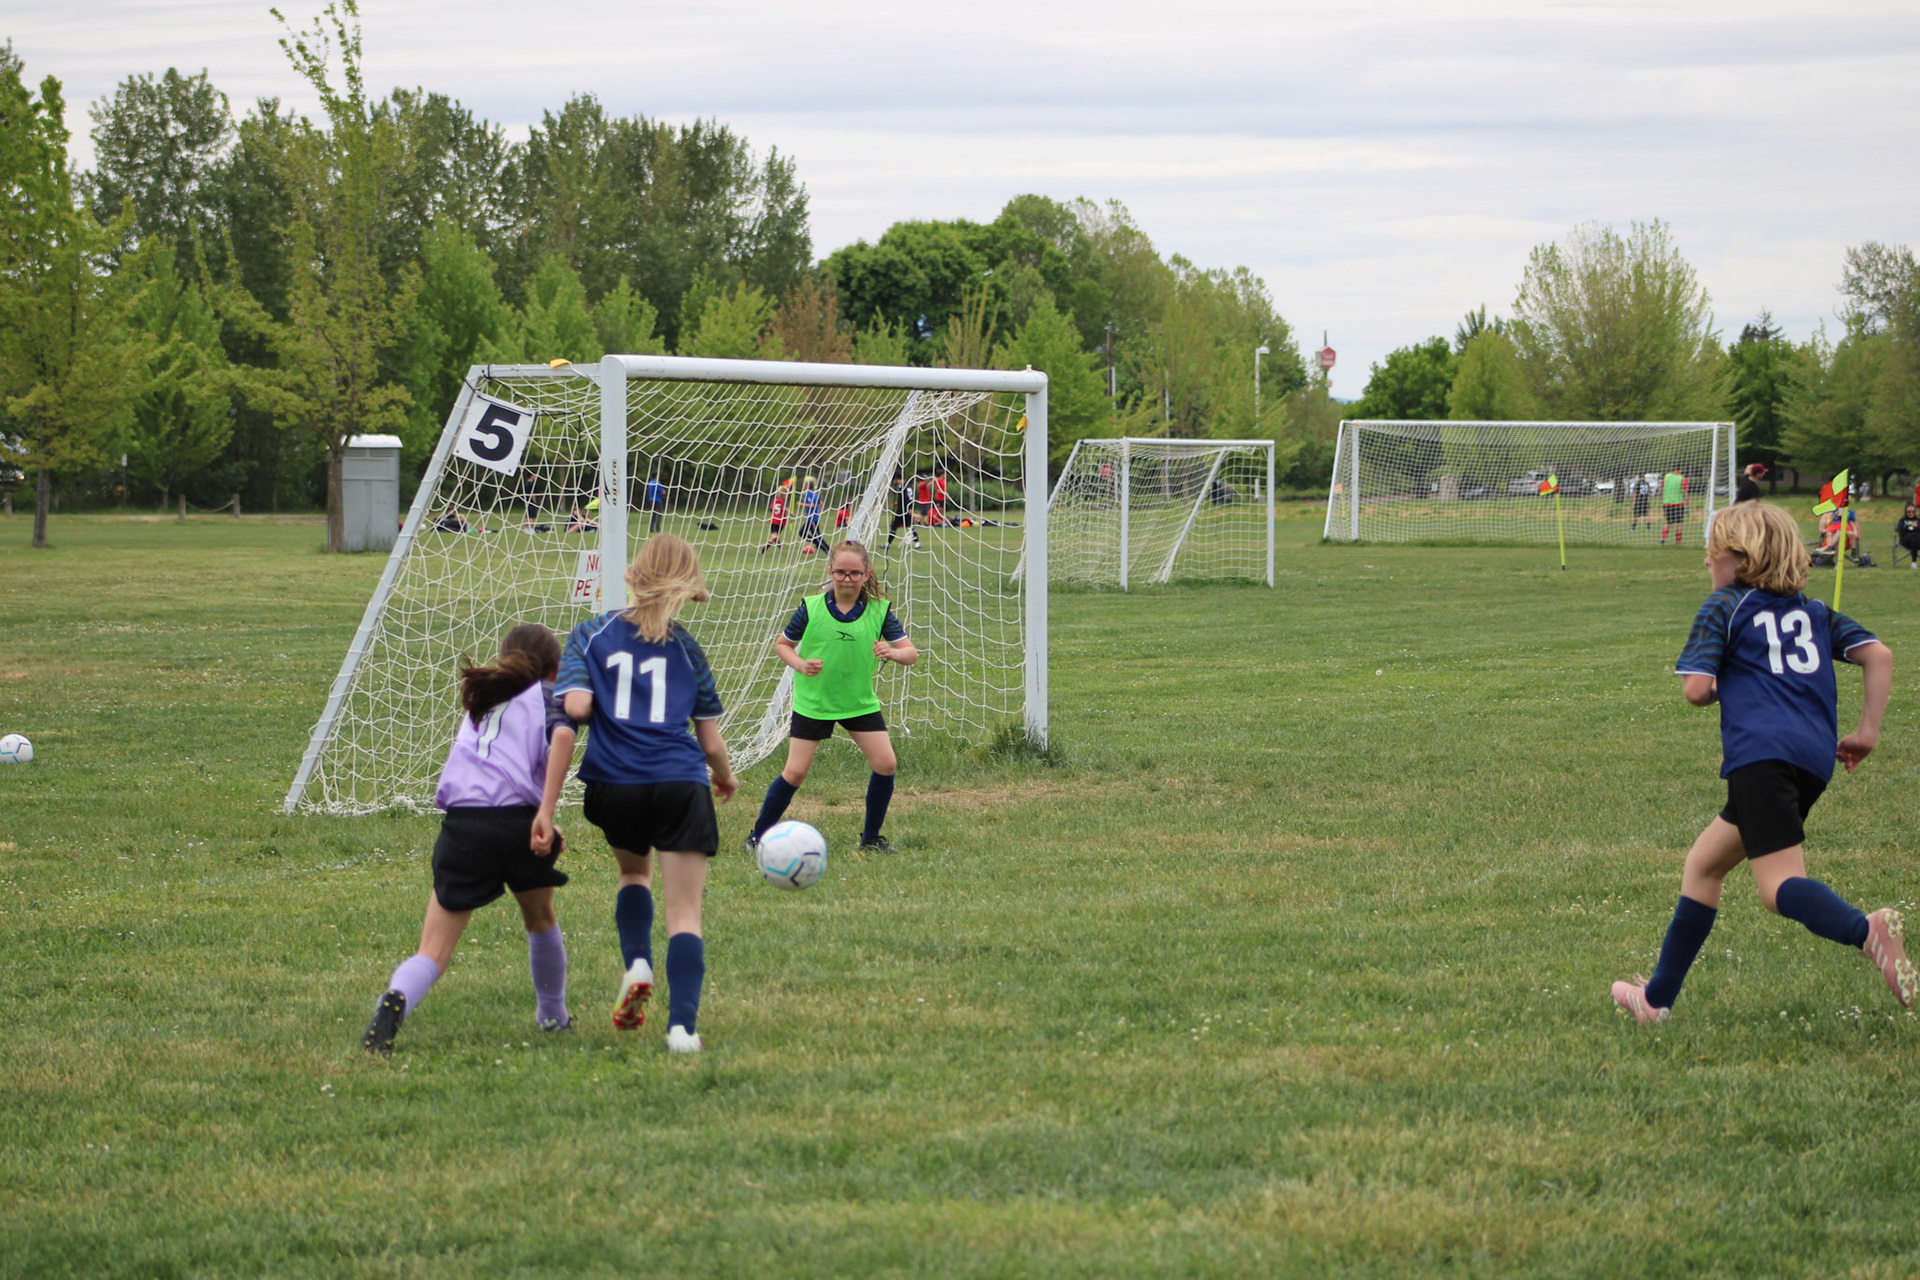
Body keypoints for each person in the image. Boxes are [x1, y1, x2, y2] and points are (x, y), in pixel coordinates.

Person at [1611, 501, 1911, 1023]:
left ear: (1741, 559)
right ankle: (1656, 1001)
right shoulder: (1813, 612)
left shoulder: (1725, 605)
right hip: (1810, 761)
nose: (1707, 562)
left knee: (1777, 889)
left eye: (1713, 553)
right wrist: (1866, 734)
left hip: (1760, 757)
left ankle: (1867, 930)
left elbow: (1696, 690)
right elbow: (1878, 655)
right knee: (1704, 865)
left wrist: (1725, 683)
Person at [555, 535, 738, 1054]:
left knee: (634, 874)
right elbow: (710, 741)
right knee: (685, 914)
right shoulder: (688, 649)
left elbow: (576, 708)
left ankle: (637, 963)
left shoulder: (591, 633)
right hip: (680, 782)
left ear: (635, 573)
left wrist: (595, 695)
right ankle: (682, 1030)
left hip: (615, 783)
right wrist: (725, 777)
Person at [363, 624, 576, 1053]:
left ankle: (397, 997)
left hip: (464, 827)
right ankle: (553, 1016)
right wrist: (546, 812)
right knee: (540, 919)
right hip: (519, 826)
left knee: (433, 949)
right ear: (555, 670)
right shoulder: (548, 698)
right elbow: (561, 739)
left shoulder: (483, 699)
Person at [749, 540, 918, 854]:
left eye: (854, 573)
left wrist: (892, 652)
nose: (847, 579)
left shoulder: (879, 611)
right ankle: (757, 836)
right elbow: (783, 645)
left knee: (886, 764)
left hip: (858, 702)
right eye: (840, 572)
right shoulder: (811, 607)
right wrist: (801, 664)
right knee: (795, 772)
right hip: (814, 702)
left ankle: (870, 839)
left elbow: (911, 653)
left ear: (866, 575)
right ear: (830, 573)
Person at [885, 468, 919, 549]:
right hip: (903, 508)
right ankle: (917, 543)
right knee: (908, 526)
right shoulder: (906, 486)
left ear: (896, 479)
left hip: (903, 510)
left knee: (897, 526)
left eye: (894, 480)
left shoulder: (904, 487)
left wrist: (909, 508)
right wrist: (898, 503)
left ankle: (888, 544)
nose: (893, 482)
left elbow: (908, 498)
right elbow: (907, 498)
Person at [798, 476, 829, 554]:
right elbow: (821, 503)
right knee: (803, 533)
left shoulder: (809, 493)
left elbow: (812, 505)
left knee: (812, 535)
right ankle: (819, 544)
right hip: (812, 518)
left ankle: (827, 549)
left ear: (808, 485)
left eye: (805, 484)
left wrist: (801, 504)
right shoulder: (813, 493)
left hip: (812, 519)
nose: (804, 485)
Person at [759, 481, 791, 553]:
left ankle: (779, 544)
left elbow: (771, 509)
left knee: (774, 536)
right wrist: (790, 512)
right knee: (773, 537)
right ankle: (763, 551)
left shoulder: (774, 501)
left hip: (774, 520)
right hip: (782, 522)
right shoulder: (783, 502)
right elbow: (784, 508)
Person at [1658, 471, 1688, 544]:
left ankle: (1663, 538)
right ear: (1680, 469)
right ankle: (1678, 542)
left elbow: (1662, 489)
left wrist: (1662, 499)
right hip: (1678, 503)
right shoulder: (1682, 478)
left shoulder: (1666, 477)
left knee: (1668, 523)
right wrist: (1687, 504)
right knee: (1678, 524)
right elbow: (1685, 492)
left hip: (1667, 503)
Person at [1896, 503, 1920, 568]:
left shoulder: (1917, 520)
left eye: (1913, 511)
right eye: (1909, 512)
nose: (1911, 513)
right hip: (1905, 541)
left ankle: (1913, 562)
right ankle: (1913, 561)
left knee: (1915, 538)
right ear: (1906, 512)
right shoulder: (1902, 520)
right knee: (1915, 536)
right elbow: (1901, 531)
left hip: (1916, 541)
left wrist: (1910, 529)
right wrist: (1914, 530)